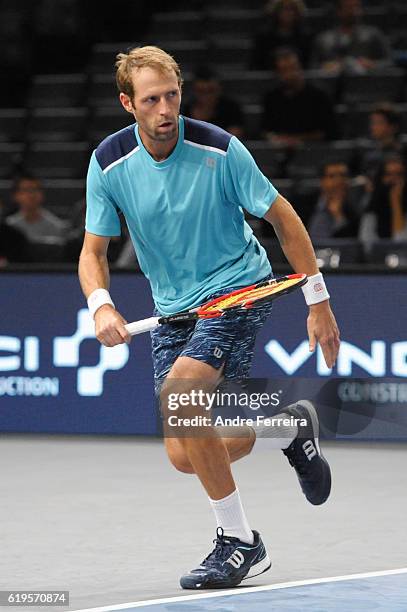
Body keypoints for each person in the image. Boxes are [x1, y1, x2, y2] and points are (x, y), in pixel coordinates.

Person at [79, 45, 340, 590]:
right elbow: (94, 252)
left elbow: (285, 219)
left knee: (184, 397)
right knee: (186, 452)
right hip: (175, 307)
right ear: (128, 103)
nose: (165, 109)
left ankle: (240, 542)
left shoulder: (220, 149)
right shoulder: (108, 163)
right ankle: (289, 427)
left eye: (172, 95)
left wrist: (317, 300)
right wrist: (101, 304)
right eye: (151, 100)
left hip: (238, 289)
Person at [262, 48, 336, 145]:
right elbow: (265, 130)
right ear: (278, 73)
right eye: (284, 70)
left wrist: (297, 140)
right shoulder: (272, 98)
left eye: (293, 68)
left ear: (300, 68)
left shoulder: (319, 96)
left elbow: (330, 132)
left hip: (315, 151)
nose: (290, 74)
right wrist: (275, 139)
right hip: (279, 151)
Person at [311, 0, 391, 74]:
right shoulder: (323, 39)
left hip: (365, 84)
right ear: (339, 11)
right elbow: (312, 67)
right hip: (331, 85)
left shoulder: (373, 34)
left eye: (357, 7)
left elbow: (389, 62)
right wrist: (325, 67)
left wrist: (373, 65)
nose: (354, 11)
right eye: (349, 7)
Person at [182, 66, 245, 139]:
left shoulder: (231, 108)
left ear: (219, 89)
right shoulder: (186, 108)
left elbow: (234, 138)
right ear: (194, 91)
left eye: (210, 91)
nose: (206, 96)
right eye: (201, 91)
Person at [6, 175, 69, 244]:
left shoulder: (57, 226)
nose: (32, 195)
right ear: (16, 195)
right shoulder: (8, 226)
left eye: (35, 190)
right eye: (26, 190)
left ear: (42, 194)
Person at [359, 156, 407, 246]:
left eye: (399, 174)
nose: (394, 180)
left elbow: (401, 245)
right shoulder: (371, 206)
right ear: (380, 178)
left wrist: (396, 203)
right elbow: (367, 247)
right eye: (388, 174)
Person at [308, 161, 361, 241]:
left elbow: (351, 246)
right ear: (322, 181)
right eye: (332, 176)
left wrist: (338, 217)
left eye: (343, 175)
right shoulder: (303, 203)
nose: (338, 180)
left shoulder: (355, 210)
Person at [251, 0, 311, 70]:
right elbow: (256, 62)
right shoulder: (263, 36)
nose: (288, 13)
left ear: (297, 13)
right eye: (284, 9)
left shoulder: (305, 35)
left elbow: (307, 63)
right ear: (276, 12)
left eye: (291, 9)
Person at [360, 105, 404, 185]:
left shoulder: (403, 154)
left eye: (379, 123)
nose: (373, 127)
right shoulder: (369, 155)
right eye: (372, 123)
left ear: (393, 127)